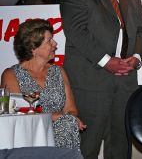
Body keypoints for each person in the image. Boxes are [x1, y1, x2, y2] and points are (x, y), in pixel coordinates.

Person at [60, 0, 142, 159]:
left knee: (120, 147)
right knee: (86, 148)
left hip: (125, 82)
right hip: (91, 84)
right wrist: (106, 61)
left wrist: (136, 58)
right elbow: (76, 32)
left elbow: (141, 30)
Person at [0, 19, 86, 151]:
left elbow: (71, 110)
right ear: (33, 48)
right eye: (49, 40)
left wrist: (64, 119)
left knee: (67, 124)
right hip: (29, 134)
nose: (55, 44)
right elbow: (15, 113)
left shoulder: (58, 71)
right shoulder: (11, 74)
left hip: (60, 128)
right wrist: (52, 116)